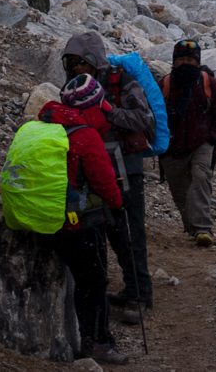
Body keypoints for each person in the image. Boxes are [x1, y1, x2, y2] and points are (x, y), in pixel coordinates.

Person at [42, 75, 131, 363]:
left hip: (44, 214)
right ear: (90, 105)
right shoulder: (85, 135)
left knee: (76, 279)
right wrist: (118, 207)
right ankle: (98, 342)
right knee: (92, 281)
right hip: (79, 222)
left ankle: (76, 337)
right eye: (99, 103)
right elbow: (105, 183)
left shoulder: (46, 126)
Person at [62, 33, 154, 313]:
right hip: (95, 169)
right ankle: (130, 289)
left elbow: (143, 118)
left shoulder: (120, 80)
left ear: (93, 59)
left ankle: (140, 294)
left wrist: (109, 110)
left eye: (81, 62)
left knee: (129, 231)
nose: (77, 68)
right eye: (72, 63)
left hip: (127, 167)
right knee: (110, 231)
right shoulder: (74, 86)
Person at [159, 38, 216, 246]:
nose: (186, 63)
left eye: (191, 59)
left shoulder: (207, 83)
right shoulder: (165, 85)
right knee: (180, 191)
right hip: (172, 147)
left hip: (202, 142)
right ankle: (192, 228)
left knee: (200, 177)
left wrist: (213, 137)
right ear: (174, 61)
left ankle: (203, 228)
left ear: (198, 61)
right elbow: (154, 116)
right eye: (182, 59)